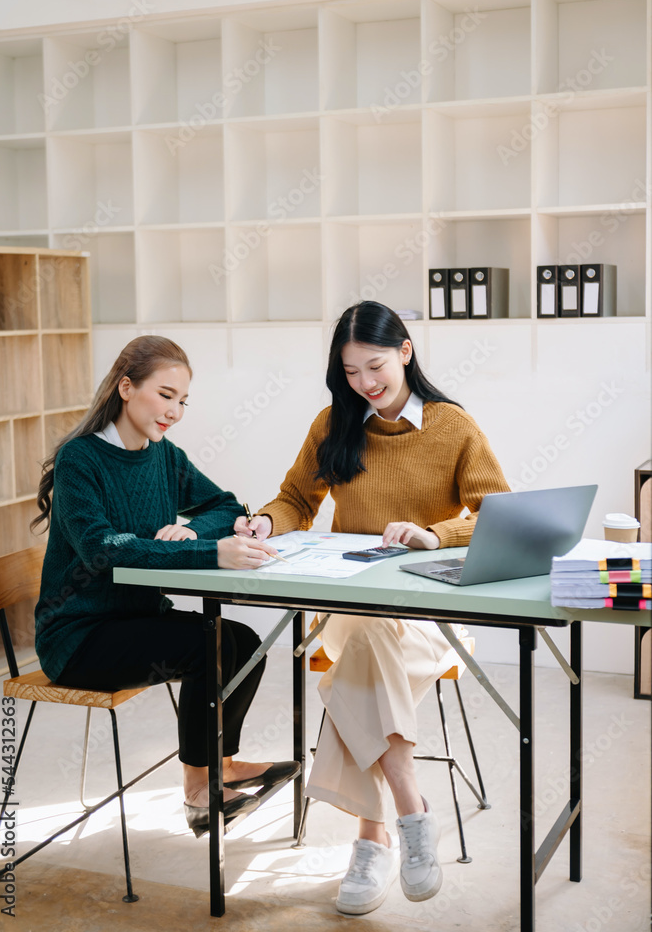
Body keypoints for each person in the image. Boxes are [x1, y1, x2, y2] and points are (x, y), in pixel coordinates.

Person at [234, 301, 510, 915]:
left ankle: (373, 838)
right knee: (363, 635)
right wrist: (263, 522)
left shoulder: (453, 427)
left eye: (375, 365)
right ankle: (412, 808)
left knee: (363, 650)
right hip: (348, 607)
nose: (365, 382)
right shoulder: (334, 424)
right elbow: (293, 501)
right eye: (351, 370)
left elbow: (497, 512)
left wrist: (436, 534)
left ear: (406, 351)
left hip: (432, 617)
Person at [33, 335, 299, 834]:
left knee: (243, 642)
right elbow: (103, 549)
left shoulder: (164, 456)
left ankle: (219, 764)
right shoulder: (80, 460)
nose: (174, 411)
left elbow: (225, 504)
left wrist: (195, 529)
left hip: (138, 619)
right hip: (78, 636)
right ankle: (200, 792)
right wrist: (209, 551)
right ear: (126, 387)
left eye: (182, 401)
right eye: (165, 395)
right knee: (209, 647)